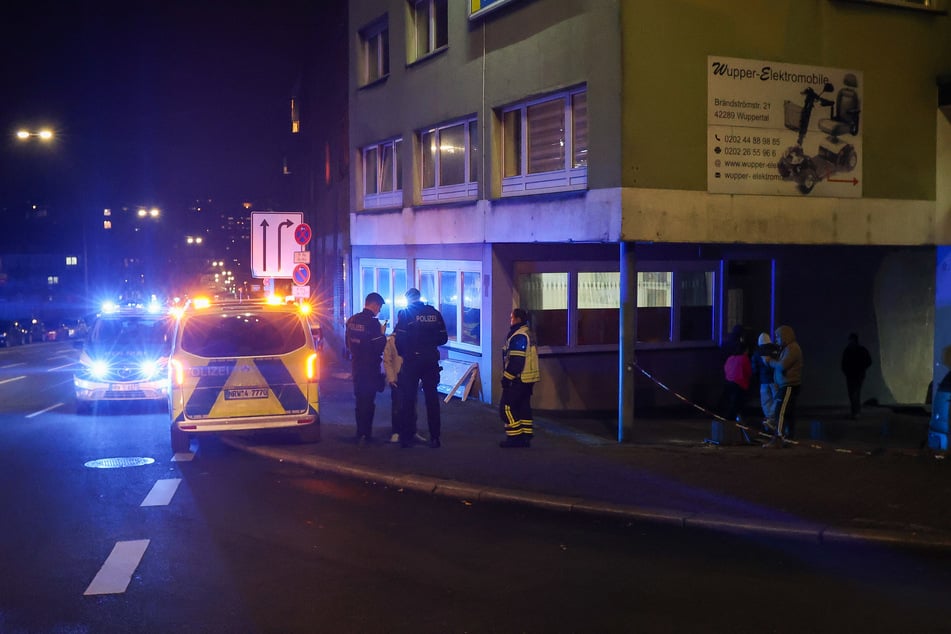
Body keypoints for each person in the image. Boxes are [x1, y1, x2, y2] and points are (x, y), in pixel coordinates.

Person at [394, 288, 448, 448]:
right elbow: (443, 337)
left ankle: (406, 436)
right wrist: (429, 346)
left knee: (408, 398)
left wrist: (406, 353)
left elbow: (399, 339)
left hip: (412, 360)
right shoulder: (434, 313)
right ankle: (435, 437)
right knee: (432, 399)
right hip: (430, 359)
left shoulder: (406, 314)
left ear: (408, 299)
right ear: (419, 298)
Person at [345, 292, 387, 445]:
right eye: (379, 307)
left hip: (356, 366)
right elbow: (379, 346)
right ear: (374, 305)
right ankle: (367, 435)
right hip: (370, 368)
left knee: (359, 400)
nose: (379, 310)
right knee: (369, 402)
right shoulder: (373, 324)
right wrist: (382, 334)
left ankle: (359, 433)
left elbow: (347, 343)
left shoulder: (352, 320)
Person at [499, 308, 540, 448]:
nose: (510, 320)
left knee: (506, 408)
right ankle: (526, 436)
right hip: (529, 378)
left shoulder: (519, 336)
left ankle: (515, 437)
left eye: (512, 317)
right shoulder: (528, 333)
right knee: (523, 406)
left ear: (518, 319)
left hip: (518, 378)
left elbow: (517, 361)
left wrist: (506, 378)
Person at [762, 324, 803, 448]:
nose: (776, 340)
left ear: (785, 336)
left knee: (780, 411)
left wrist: (769, 361)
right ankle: (788, 438)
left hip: (789, 386)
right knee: (788, 412)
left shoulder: (793, 348)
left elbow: (782, 366)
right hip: (786, 385)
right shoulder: (787, 348)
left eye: (778, 337)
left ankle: (779, 438)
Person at [383, 332, 423, 444]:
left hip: (411, 375)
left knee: (412, 404)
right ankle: (397, 431)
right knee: (397, 405)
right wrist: (391, 378)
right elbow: (387, 360)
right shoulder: (391, 340)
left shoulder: (414, 336)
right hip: (398, 376)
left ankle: (412, 431)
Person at [752, 332, 781, 432]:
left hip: (763, 382)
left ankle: (769, 420)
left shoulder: (757, 352)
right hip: (775, 380)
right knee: (777, 400)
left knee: (766, 403)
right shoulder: (776, 349)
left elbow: (754, 369)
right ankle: (772, 421)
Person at [841, 332, 872, 419]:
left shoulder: (859, 350)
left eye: (851, 340)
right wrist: (846, 371)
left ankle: (856, 412)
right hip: (852, 375)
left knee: (855, 393)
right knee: (853, 393)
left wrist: (861, 368)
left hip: (857, 375)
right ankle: (855, 412)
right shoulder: (848, 350)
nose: (850, 341)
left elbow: (869, 361)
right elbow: (843, 363)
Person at [721, 342, 751, 424]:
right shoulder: (744, 358)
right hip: (740, 384)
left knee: (731, 403)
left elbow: (725, 369)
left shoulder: (730, 358)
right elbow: (748, 372)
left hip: (728, 383)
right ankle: (735, 421)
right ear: (745, 350)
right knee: (737, 405)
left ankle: (728, 420)